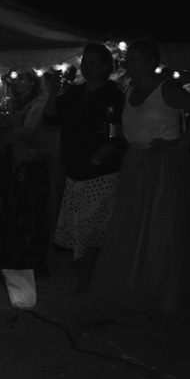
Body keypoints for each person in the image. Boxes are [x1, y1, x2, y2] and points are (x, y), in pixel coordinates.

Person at [86, 38, 190, 317]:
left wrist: (181, 143)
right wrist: (118, 133)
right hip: (136, 162)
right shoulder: (129, 90)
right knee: (134, 226)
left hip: (162, 165)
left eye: (134, 60)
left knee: (161, 229)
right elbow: (133, 128)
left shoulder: (167, 88)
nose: (129, 65)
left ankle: (165, 293)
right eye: (128, 60)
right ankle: (136, 287)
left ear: (151, 63)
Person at [46, 44, 125, 294]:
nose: (87, 66)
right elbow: (51, 119)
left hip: (100, 172)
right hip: (75, 169)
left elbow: (113, 132)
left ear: (105, 67)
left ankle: (89, 284)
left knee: (92, 230)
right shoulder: (74, 93)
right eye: (85, 61)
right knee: (81, 229)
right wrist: (52, 90)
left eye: (93, 62)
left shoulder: (112, 94)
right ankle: (85, 283)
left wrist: (98, 157)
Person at [0, 70, 54, 278]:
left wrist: (6, 137)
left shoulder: (39, 103)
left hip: (30, 166)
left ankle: (30, 264)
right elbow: (0, 127)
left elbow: (29, 130)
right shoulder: (12, 103)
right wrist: (1, 126)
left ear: (33, 82)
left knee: (29, 215)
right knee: (9, 214)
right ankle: (10, 262)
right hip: (11, 165)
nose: (17, 82)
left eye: (22, 78)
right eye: (14, 79)